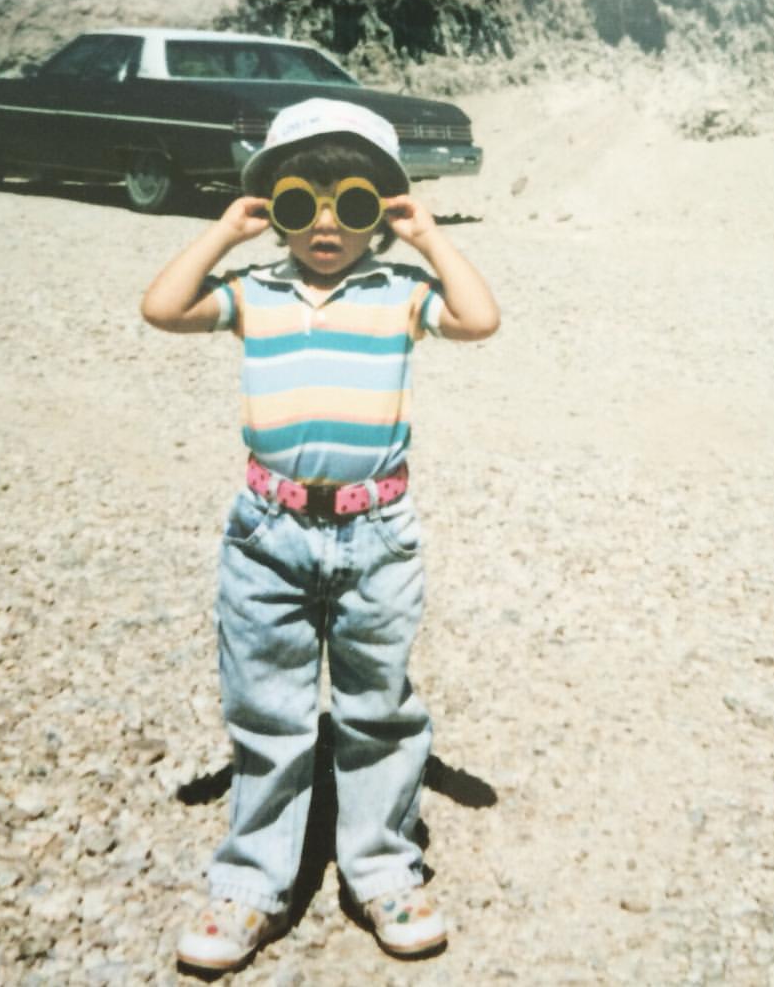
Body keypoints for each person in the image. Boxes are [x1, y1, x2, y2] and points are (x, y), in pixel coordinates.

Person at [140, 97, 499, 973]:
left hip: (377, 533)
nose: (327, 226)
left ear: (383, 211)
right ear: (275, 209)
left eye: (355, 205)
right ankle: (251, 882)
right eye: (301, 205)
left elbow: (479, 318)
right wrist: (224, 234)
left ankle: (383, 869)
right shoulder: (254, 292)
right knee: (268, 709)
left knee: (378, 708)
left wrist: (429, 240)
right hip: (268, 532)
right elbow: (162, 307)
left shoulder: (400, 292)